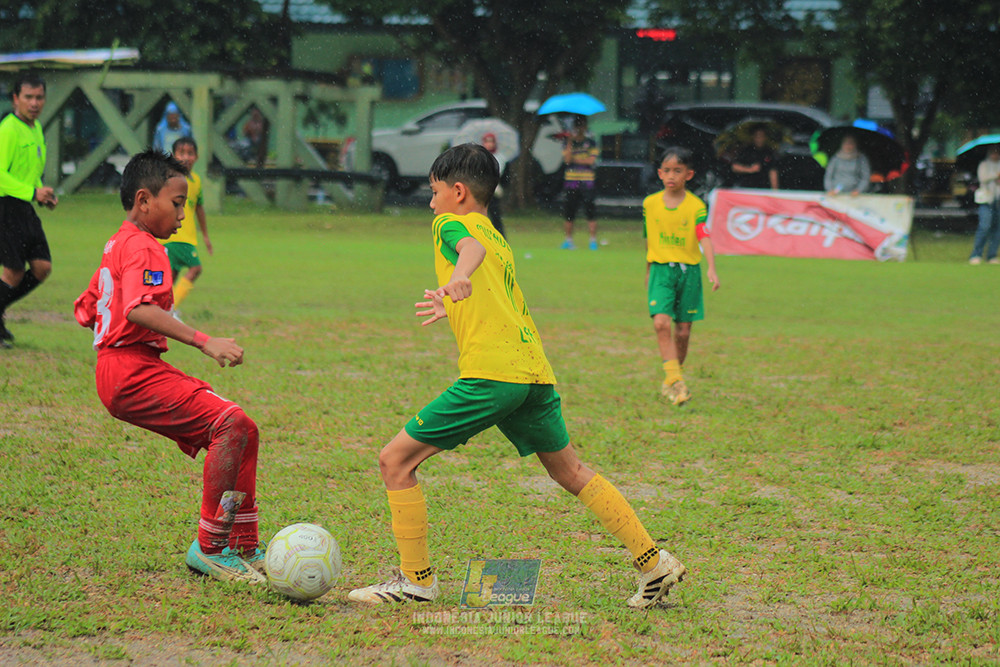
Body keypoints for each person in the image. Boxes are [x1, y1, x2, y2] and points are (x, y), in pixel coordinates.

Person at [347, 143, 686, 608]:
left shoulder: (451, 224)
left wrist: (459, 278)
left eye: (434, 191)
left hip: (493, 374)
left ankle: (416, 582)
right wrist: (454, 299)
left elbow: (468, 251)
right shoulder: (497, 235)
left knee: (395, 462)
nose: (431, 202)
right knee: (570, 471)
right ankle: (654, 562)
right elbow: (487, 273)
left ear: (459, 191)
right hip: (533, 372)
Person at [73, 149, 265, 584]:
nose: (183, 214)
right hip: (130, 370)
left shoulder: (118, 242)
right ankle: (212, 547)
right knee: (229, 425)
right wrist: (204, 341)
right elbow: (138, 308)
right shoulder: (146, 248)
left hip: (122, 367)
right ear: (144, 201)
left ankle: (241, 541)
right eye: (177, 203)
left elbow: (85, 308)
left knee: (244, 429)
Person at [642, 147, 720, 406]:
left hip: (689, 273)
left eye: (678, 170)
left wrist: (711, 267)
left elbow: (704, 236)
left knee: (683, 332)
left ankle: (671, 381)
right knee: (661, 324)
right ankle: (677, 381)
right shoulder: (650, 204)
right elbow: (649, 238)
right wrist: (648, 269)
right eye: (667, 170)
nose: (671, 175)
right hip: (661, 270)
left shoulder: (696, 206)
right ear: (660, 173)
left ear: (689, 174)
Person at [0, 72, 58, 348]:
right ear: (15, 99)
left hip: (24, 205)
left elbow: (29, 170)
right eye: (29, 97)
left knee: (42, 267)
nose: (35, 103)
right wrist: (32, 191)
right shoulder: (8, 128)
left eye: (39, 97)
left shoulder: (35, 128)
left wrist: (40, 192)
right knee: (13, 272)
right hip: (5, 206)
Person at [161, 137, 212, 316]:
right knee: (195, 269)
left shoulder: (195, 181)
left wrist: (205, 235)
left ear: (197, 157)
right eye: (181, 153)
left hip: (188, 236)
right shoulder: (170, 179)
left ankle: (161, 309)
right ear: (174, 156)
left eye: (190, 153)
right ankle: (170, 310)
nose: (186, 157)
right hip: (175, 236)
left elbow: (199, 208)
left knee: (171, 277)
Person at [561, 115, 599, 250]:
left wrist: (575, 160)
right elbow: (566, 159)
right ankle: (568, 240)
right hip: (571, 182)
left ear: (585, 127)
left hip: (587, 182)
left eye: (581, 125)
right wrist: (570, 141)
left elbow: (591, 161)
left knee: (590, 211)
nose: (579, 128)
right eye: (577, 126)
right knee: (569, 211)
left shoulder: (591, 142)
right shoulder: (568, 143)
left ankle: (593, 240)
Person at [968, 146, 1000, 265]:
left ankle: (992, 255)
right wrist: (996, 175)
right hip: (987, 200)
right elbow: (983, 178)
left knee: (997, 230)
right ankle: (976, 254)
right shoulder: (984, 165)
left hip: (998, 200)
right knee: (984, 226)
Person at [480, 132, 507, 238]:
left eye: (491, 141)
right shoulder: (480, 157)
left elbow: (504, 176)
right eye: (487, 141)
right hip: (481, 191)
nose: (489, 144)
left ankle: (500, 238)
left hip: (494, 191)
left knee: (496, 216)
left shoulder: (500, 158)